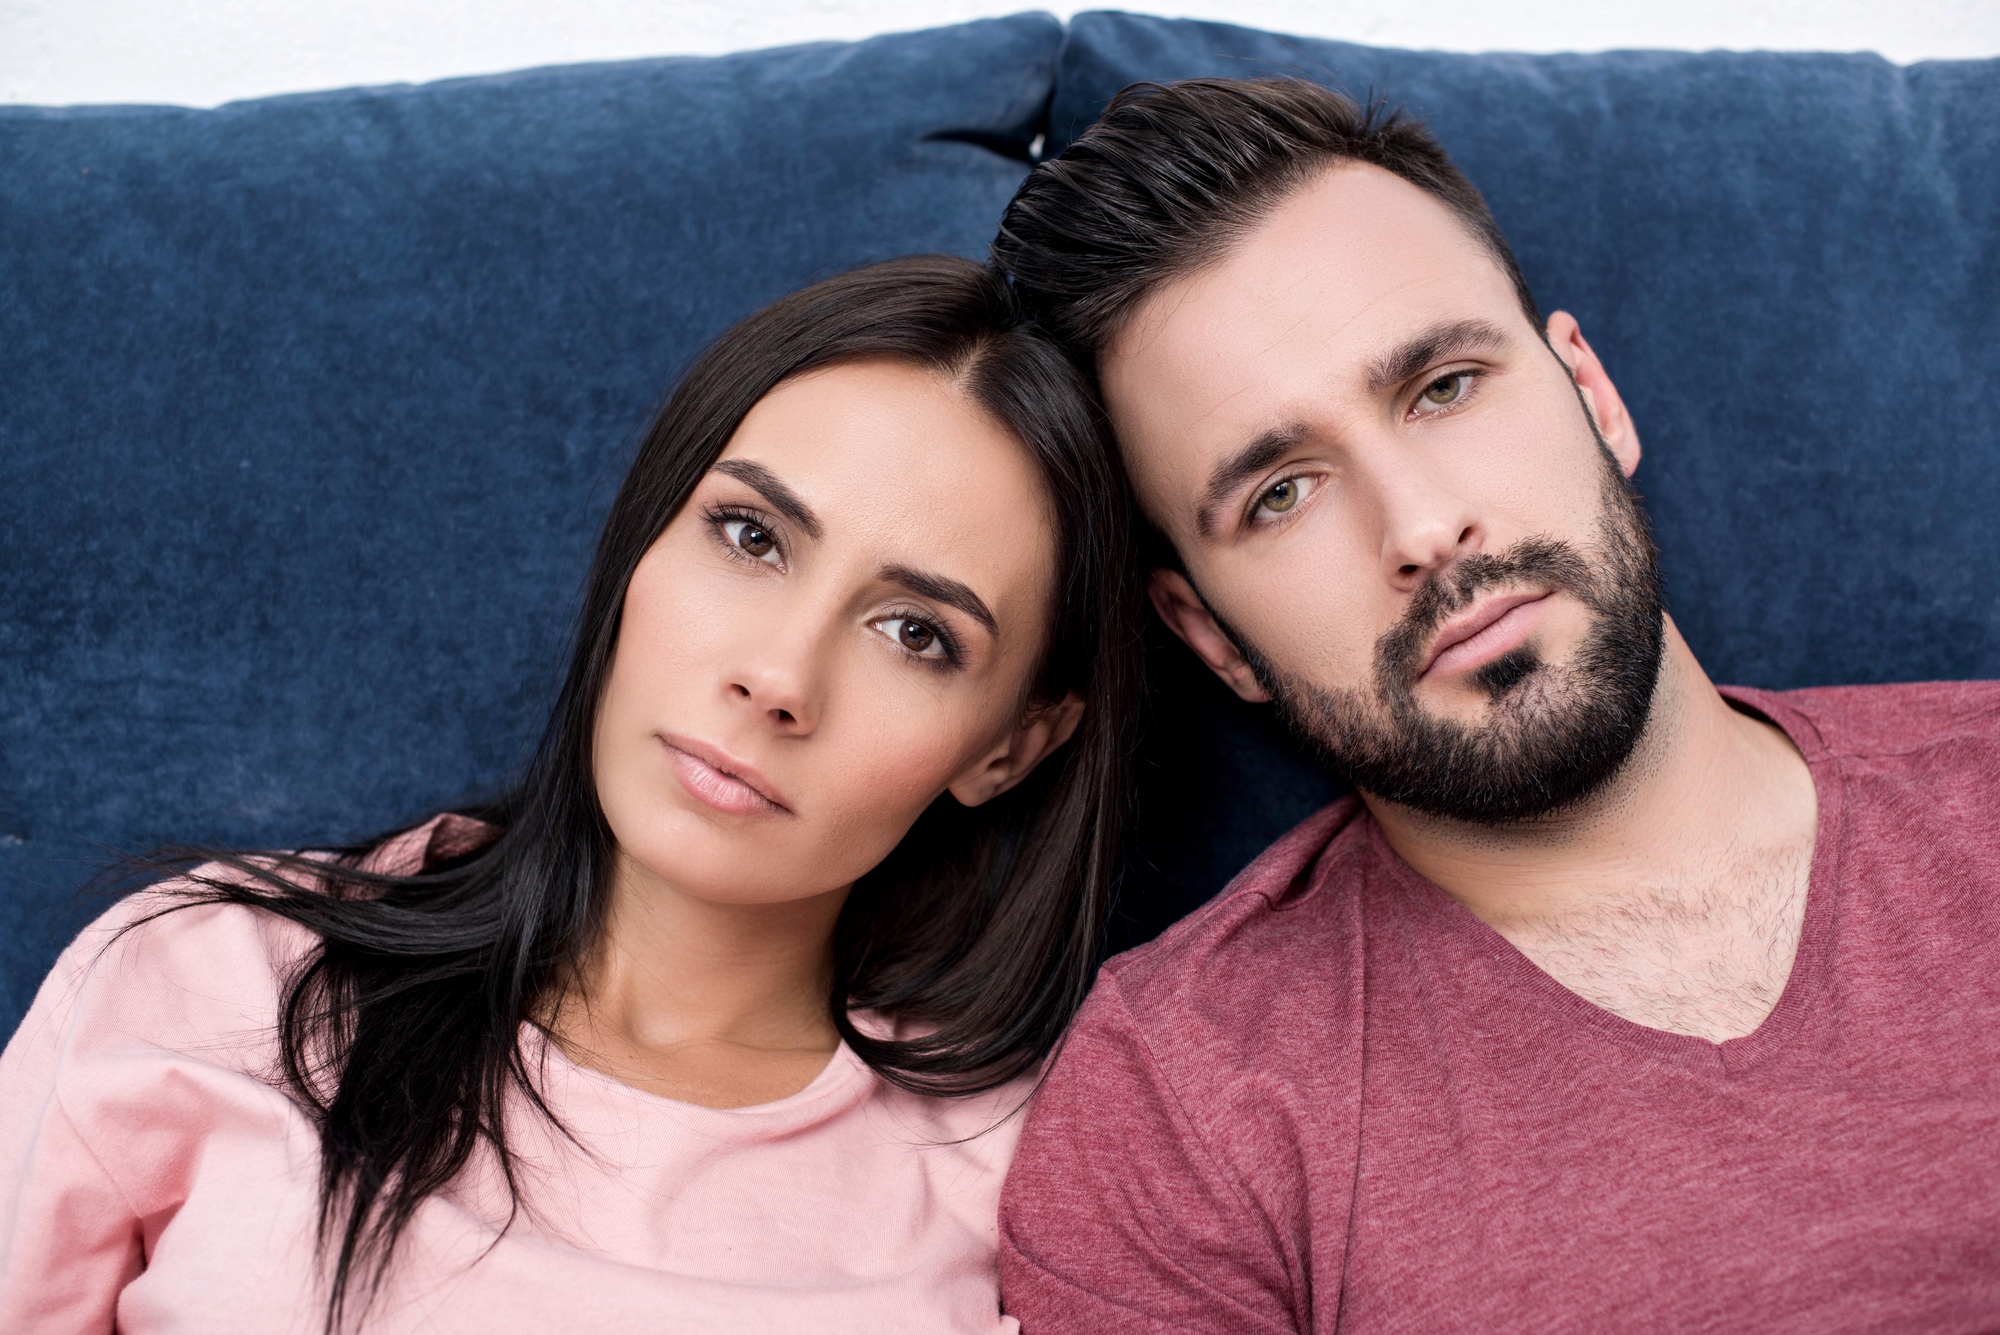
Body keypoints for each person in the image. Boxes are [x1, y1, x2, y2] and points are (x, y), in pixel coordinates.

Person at [988, 77, 2000, 1332]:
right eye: (1280, 494)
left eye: (1444, 388)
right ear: (1211, 637)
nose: (1419, 527)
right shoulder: (1181, 1113)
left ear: (1593, 393)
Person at [0, 255, 1141, 1334]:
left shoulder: (1025, 1174)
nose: (778, 678)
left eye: (915, 634)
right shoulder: (209, 971)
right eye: (749, 536)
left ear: (1010, 747)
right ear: (642, 539)